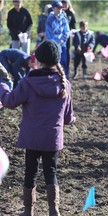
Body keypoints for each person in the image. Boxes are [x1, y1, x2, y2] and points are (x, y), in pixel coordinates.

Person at [0, 40, 75, 216]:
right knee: (51, 172)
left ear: (38, 59)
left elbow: (10, 102)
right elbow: (68, 118)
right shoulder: (65, 84)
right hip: (52, 138)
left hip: (32, 138)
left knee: (30, 173)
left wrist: (2, 86)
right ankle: (54, 211)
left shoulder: (28, 82)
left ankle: (28, 212)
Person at [46, 0, 70, 79]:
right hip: (54, 44)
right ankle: (55, 78)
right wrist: (53, 43)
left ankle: (65, 78)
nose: (59, 10)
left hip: (62, 43)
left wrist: (63, 39)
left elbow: (67, 31)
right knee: (55, 62)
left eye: (60, 8)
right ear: (53, 8)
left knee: (64, 61)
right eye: (58, 8)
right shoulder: (50, 19)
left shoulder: (63, 18)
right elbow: (48, 32)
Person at [62, 0, 76, 79]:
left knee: (67, 51)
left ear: (68, 4)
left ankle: (67, 69)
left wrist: (72, 31)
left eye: (65, 3)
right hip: (60, 36)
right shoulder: (59, 12)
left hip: (68, 36)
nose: (64, 5)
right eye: (63, 3)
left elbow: (73, 25)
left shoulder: (71, 14)